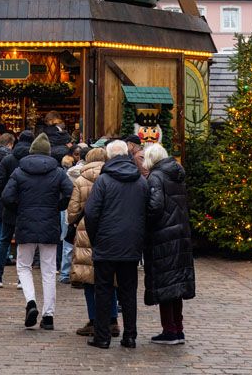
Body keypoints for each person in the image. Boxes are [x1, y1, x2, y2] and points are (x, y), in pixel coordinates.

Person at [1, 133, 73, 330]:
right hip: (49, 222)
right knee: (49, 270)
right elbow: (70, 191)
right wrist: (58, 206)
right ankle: (48, 315)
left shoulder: (19, 171)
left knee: (24, 266)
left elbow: (7, 196)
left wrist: (20, 209)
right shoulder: (58, 172)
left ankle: (31, 301)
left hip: (25, 221)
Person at [85, 138, 148, 350]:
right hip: (131, 244)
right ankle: (130, 336)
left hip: (106, 243)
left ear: (109, 156)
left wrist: (96, 239)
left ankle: (102, 337)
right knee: (128, 292)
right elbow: (147, 212)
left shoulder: (103, 181)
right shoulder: (140, 181)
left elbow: (91, 213)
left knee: (103, 291)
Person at [143, 142, 195, 345]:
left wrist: (145, 221)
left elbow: (155, 206)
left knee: (165, 283)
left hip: (163, 236)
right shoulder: (177, 174)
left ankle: (169, 330)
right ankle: (178, 328)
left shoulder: (156, 176)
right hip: (180, 234)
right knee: (177, 285)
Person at [68, 147, 120, 339]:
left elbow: (73, 211)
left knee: (88, 277)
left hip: (85, 231)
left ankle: (94, 319)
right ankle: (113, 319)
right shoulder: (112, 177)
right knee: (110, 277)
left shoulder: (81, 180)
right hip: (109, 230)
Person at [0, 129, 34, 288]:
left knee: (4, 240)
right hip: (27, 206)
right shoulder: (33, 160)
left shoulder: (8, 160)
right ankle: (22, 280)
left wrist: (5, 198)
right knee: (24, 243)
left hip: (8, 205)